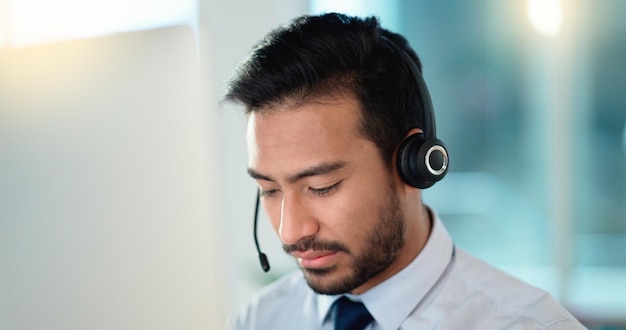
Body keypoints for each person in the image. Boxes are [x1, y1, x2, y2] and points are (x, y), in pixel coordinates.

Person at [224, 12, 585, 330]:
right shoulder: (259, 320)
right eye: (270, 190)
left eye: (322, 186)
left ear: (414, 164)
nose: (291, 231)